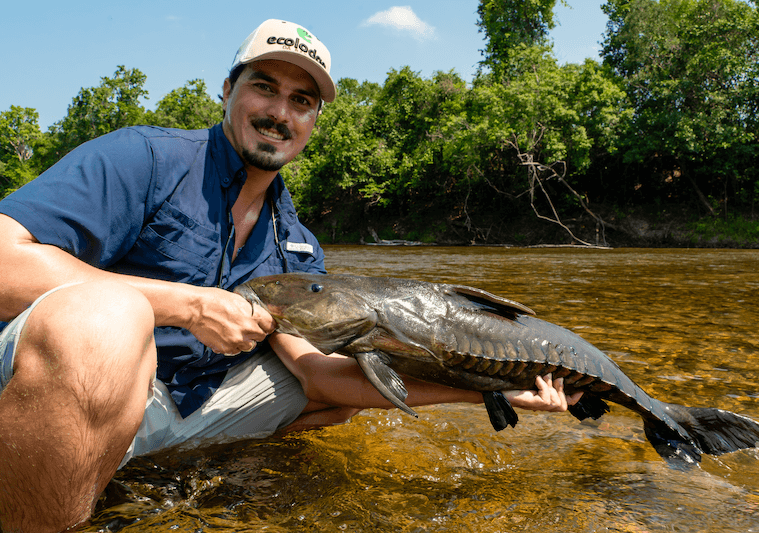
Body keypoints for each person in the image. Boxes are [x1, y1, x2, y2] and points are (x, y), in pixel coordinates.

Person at [0, 19, 583, 532]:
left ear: (313, 121)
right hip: (82, 390)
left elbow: (318, 376)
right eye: (264, 87)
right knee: (104, 316)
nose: (280, 113)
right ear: (227, 91)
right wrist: (187, 306)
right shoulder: (143, 160)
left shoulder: (297, 244)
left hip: (186, 411)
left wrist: (488, 390)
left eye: (301, 101)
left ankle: (149, 480)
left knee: (347, 393)